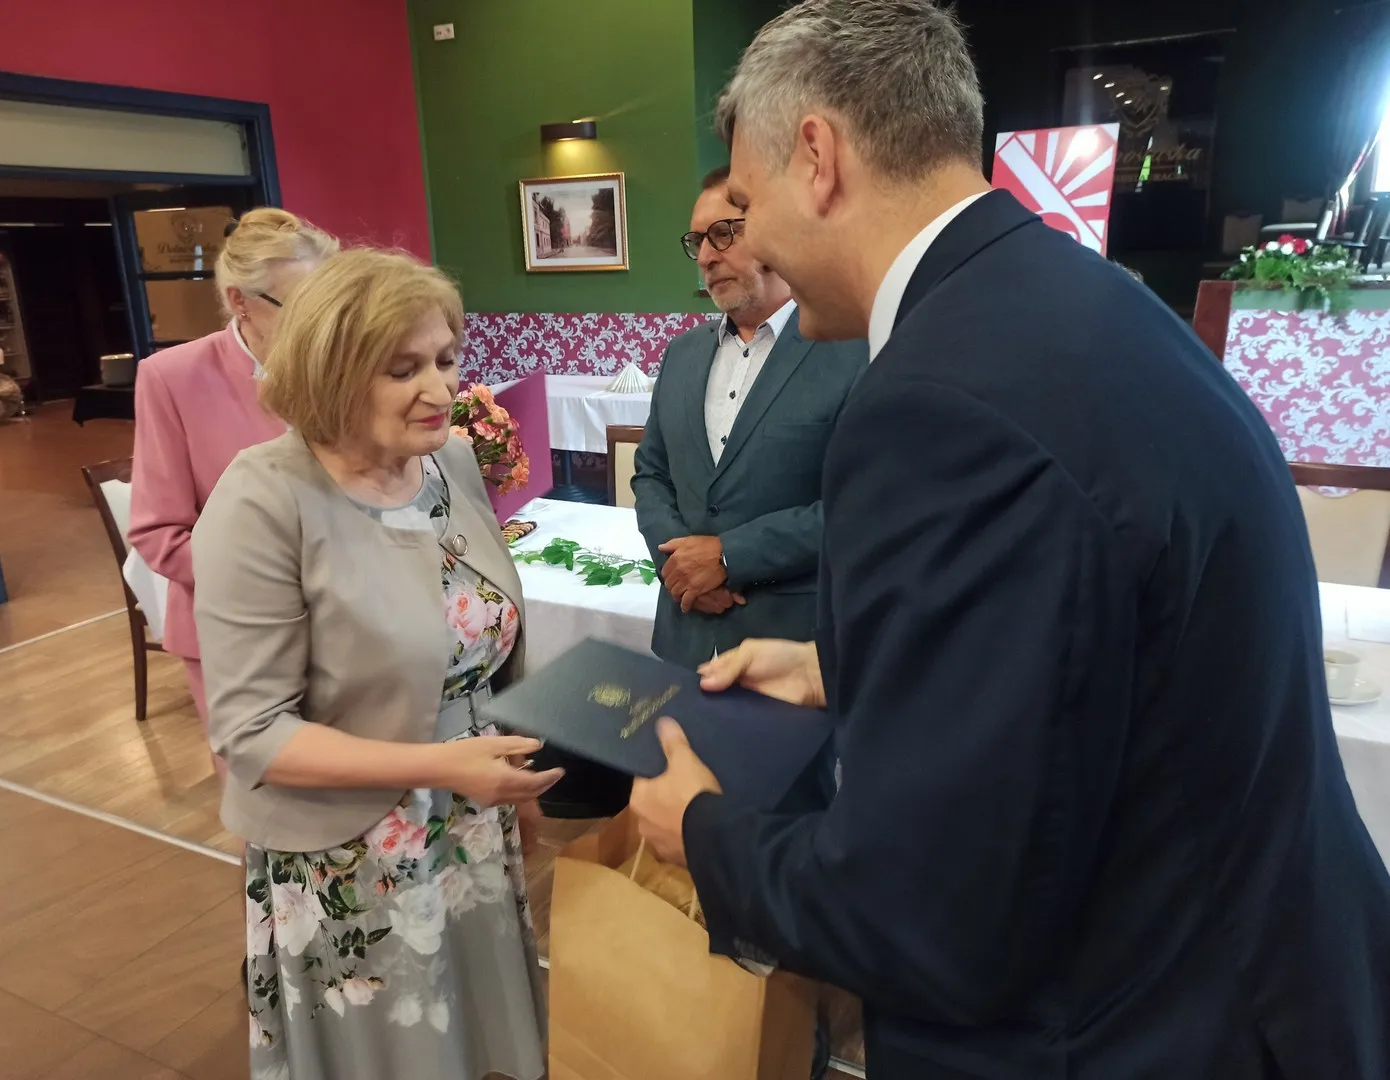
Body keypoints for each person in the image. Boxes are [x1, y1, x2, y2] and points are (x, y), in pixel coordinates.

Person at [630, 2, 1390, 1078]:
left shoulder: (934, 405)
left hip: (1130, 1022)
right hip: (1265, 977)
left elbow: (930, 912)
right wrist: (847, 668)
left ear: (818, 158)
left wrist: (707, 839)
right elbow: (1097, 642)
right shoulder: (1079, 298)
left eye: (745, 206)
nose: (744, 244)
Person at [191, 248, 563, 1079]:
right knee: (394, 1050)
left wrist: (507, 774)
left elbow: (483, 647)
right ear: (331, 372)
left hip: (468, 816)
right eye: (403, 370)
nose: (440, 389)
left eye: (445, 359)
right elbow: (252, 734)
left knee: (474, 1034)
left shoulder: (449, 461)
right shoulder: (264, 498)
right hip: (351, 843)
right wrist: (441, 766)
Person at [128, 207, 337, 774]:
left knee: (361, 801)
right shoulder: (172, 377)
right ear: (240, 301)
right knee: (271, 799)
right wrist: (279, 585)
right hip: (237, 637)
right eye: (301, 305)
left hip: (346, 626)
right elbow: (158, 532)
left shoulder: (339, 364)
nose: (321, 324)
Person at [632, 165, 865, 668]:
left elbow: (863, 504)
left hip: (793, 648)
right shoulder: (681, 355)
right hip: (685, 636)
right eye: (698, 241)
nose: (707, 256)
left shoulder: (851, 349)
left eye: (724, 233)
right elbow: (651, 473)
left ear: (777, 231)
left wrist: (728, 557)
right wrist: (679, 569)